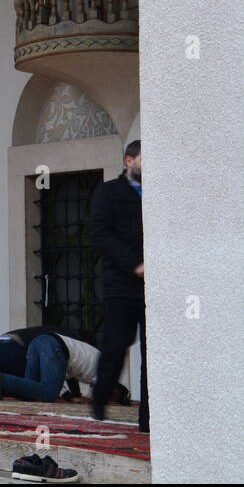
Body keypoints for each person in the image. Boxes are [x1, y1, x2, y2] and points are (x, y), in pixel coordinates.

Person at [87, 139, 149, 432]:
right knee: (117, 345)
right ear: (129, 161)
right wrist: (134, 265)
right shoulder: (108, 192)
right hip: (121, 284)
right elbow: (100, 234)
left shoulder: (158, 194)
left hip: (153, 286)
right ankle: (100, 396)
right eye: (144, 159)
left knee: (153, 351)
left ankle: (148, 417)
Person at [0, 331, 99, 403]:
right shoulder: (109, 367)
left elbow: (62, 376)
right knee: (49, 394)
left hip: (36, 343)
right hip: (51, 346)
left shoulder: (83, 355)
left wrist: (71, 397)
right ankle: (3, 380)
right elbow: (101, 384)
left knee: (30, 393)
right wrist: (92, 399)